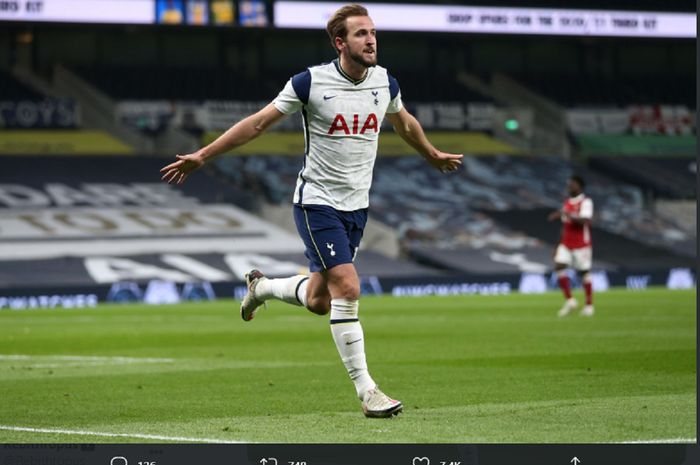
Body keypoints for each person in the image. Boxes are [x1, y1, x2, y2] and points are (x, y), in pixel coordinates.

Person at [160, 3, 463, 418]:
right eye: (360, 34)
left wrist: (430, 154)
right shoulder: (310, 82)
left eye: (372, 32)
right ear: (341, 42)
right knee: (349, 288)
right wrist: (204, 154)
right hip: (317, 202)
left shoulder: (384, 82)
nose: (371, 39)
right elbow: (257, 123)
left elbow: (404, 121)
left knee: (322, 300)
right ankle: (368, 392)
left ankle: (261, 288)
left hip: (357, 207)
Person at [547, 175, 594, 317]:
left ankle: (589, 305)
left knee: (584, 272)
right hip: (566, 243)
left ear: (579, 186)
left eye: (572, 184)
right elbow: (565, 225)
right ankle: (570, 300)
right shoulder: (567, 203)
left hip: (581, 244)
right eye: (569, 184)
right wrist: (557, 246)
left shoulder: (586, 202)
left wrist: (569, 214)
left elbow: (585, 221)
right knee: (558, 267)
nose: (569, 186)